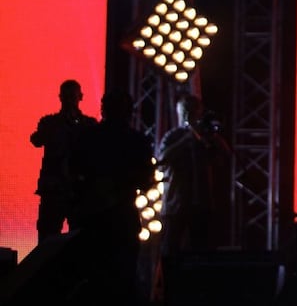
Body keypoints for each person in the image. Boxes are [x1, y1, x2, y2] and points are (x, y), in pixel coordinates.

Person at [70, 89, 156, 304]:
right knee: (123, 280)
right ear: (129, 112)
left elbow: (73, 171)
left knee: (92, 281)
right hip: (122, 219)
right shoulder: (137, 141)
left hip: (92, 218)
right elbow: (146, 182)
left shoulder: (88, 137)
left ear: (103, 109)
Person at [157, 93, 231, 261]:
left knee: (202, 253)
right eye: (188, 112)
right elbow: (161, 159)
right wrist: (186, 140)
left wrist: (213, 135)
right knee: (171, 251)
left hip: (202, 204)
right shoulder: (173, 136)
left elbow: (225, 156)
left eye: (196, 111)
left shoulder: (205, 139)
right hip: (177, 204)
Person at [29, 78, 99, 241]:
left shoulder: (89, 125)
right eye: (66, 97)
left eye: (72, 97)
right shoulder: (50, 123)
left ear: (80, 97)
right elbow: (36, 140)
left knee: (79, 238)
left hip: (79, 190)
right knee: (48, 238)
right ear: (60, 97)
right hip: (55, 190)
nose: (69, 101)